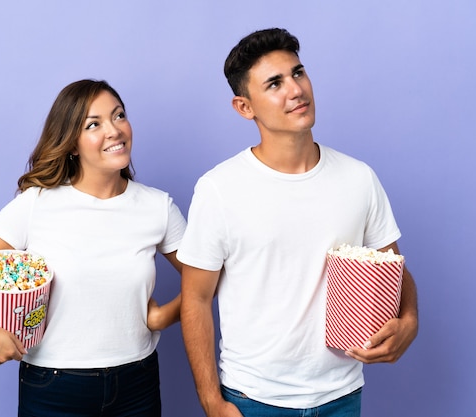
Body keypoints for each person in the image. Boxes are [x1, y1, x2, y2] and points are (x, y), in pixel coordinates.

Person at [177, 28, 418, 417]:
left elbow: (393, 266)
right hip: (252, 399)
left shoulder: (359, 178)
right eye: (275, 83)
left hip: (342, 395)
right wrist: (212, 402)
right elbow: (196, 298)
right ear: (244, 107)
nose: (296, 89)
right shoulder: (219, 188)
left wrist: (409, 321)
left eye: (298, 73)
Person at [0, 79, 186, 417]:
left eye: (119, 116)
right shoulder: (37, 204)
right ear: (72, 143)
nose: (114, 130)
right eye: (93, 124)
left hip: (136, 381)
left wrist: (164, 315)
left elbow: (206, 277)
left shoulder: (157, 207)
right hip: (53, 386)